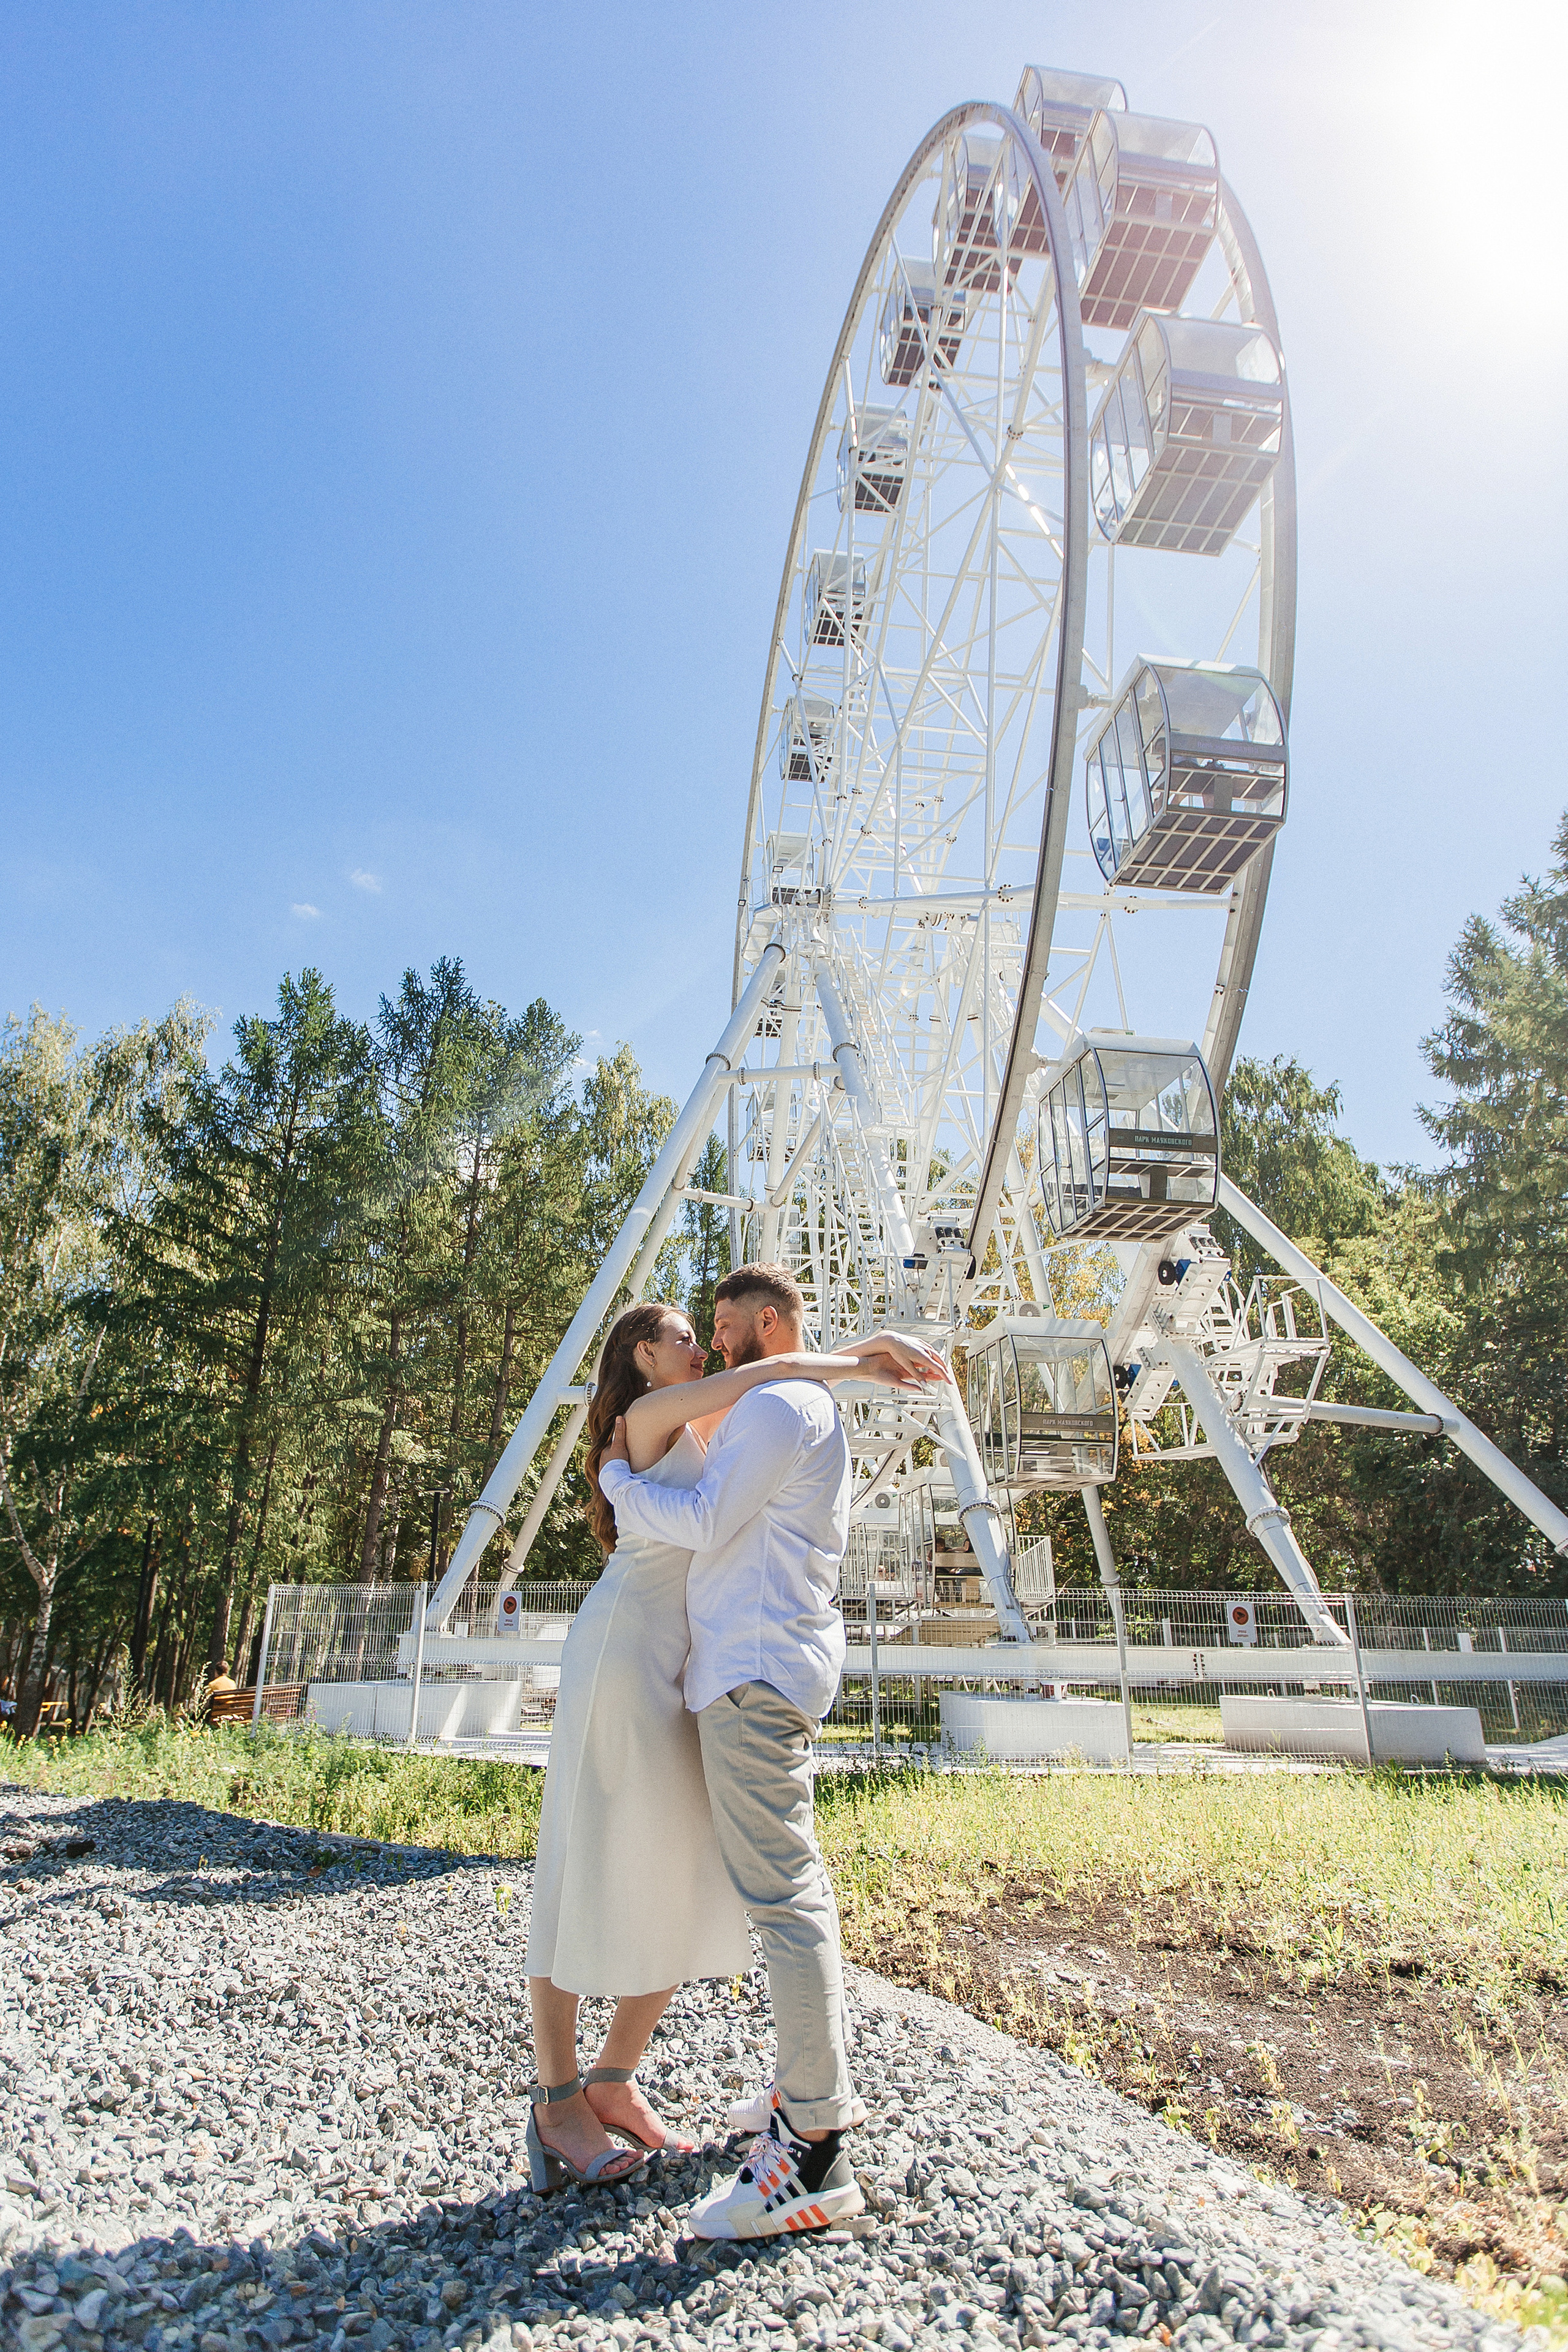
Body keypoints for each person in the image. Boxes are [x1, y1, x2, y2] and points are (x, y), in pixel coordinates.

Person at [524, 1296, 944, 2194]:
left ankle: (613, 2078)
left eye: (708, 1329)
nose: (703, 1344)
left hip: (690, 1663)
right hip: (627, 1650)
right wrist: (863, 1358)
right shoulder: (645, 1416)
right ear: (643, 1355)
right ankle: (555, 2101)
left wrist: (847, 1355)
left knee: (691, 1869)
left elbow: (772, 1381)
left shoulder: (704, 1413)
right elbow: (771, 1372)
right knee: (581, 1862)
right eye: (684, 1334)